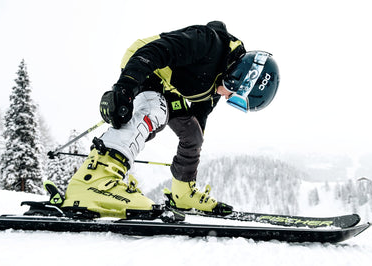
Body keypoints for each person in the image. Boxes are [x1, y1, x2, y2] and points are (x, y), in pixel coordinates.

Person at [62, 21, 280, 218]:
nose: (227, 97)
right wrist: (126, 87)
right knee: (154, 108)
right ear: (239, 75)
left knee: (193, 133)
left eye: (235, 101)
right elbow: (155, 51)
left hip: (169, 84)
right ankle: (94, 180)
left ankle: (183, 193)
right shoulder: (206, 42)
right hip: (146, 63)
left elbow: (200, 115)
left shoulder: (217, 82)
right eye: (234, 94)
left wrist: (194, 142)